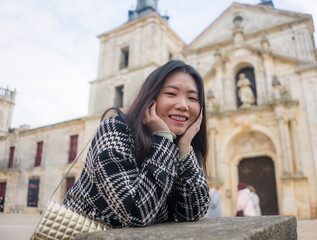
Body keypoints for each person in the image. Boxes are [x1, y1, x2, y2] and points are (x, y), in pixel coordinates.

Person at [63, 60, 210, 228]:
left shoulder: (177, 144)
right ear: (150, 97)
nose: (183, 105)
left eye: (192, 98)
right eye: (171, 94)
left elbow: (194, 212)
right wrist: (163, 138)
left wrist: (184, 148)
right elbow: (135, 212)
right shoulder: (115, 129)